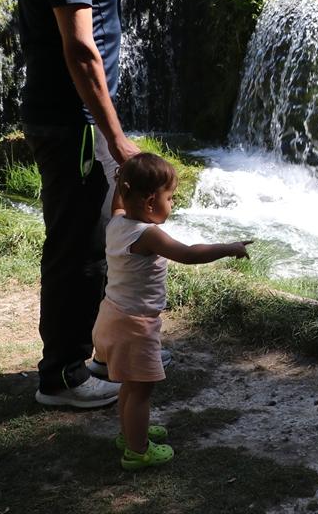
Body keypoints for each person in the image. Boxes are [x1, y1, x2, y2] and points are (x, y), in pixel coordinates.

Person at [16, 0, 142, 408]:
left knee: (83, 241)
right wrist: (114, 136)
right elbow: (81, 50)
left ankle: (85, 355)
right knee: (79, 249)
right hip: (75, 126)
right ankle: (62, 376)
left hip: (71, 121)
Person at [94, 152, 252, 470]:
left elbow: (120, 202)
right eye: (170, 197)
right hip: (135, 326)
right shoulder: (148, 235)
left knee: (130, 384)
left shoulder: (117, 221)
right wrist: (229, 248)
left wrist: (121, 179)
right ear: (151, 201)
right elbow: (189, 254)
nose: (173, 203)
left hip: (112, 315)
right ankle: (138, 452)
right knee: (141, 390)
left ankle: (130, 433)